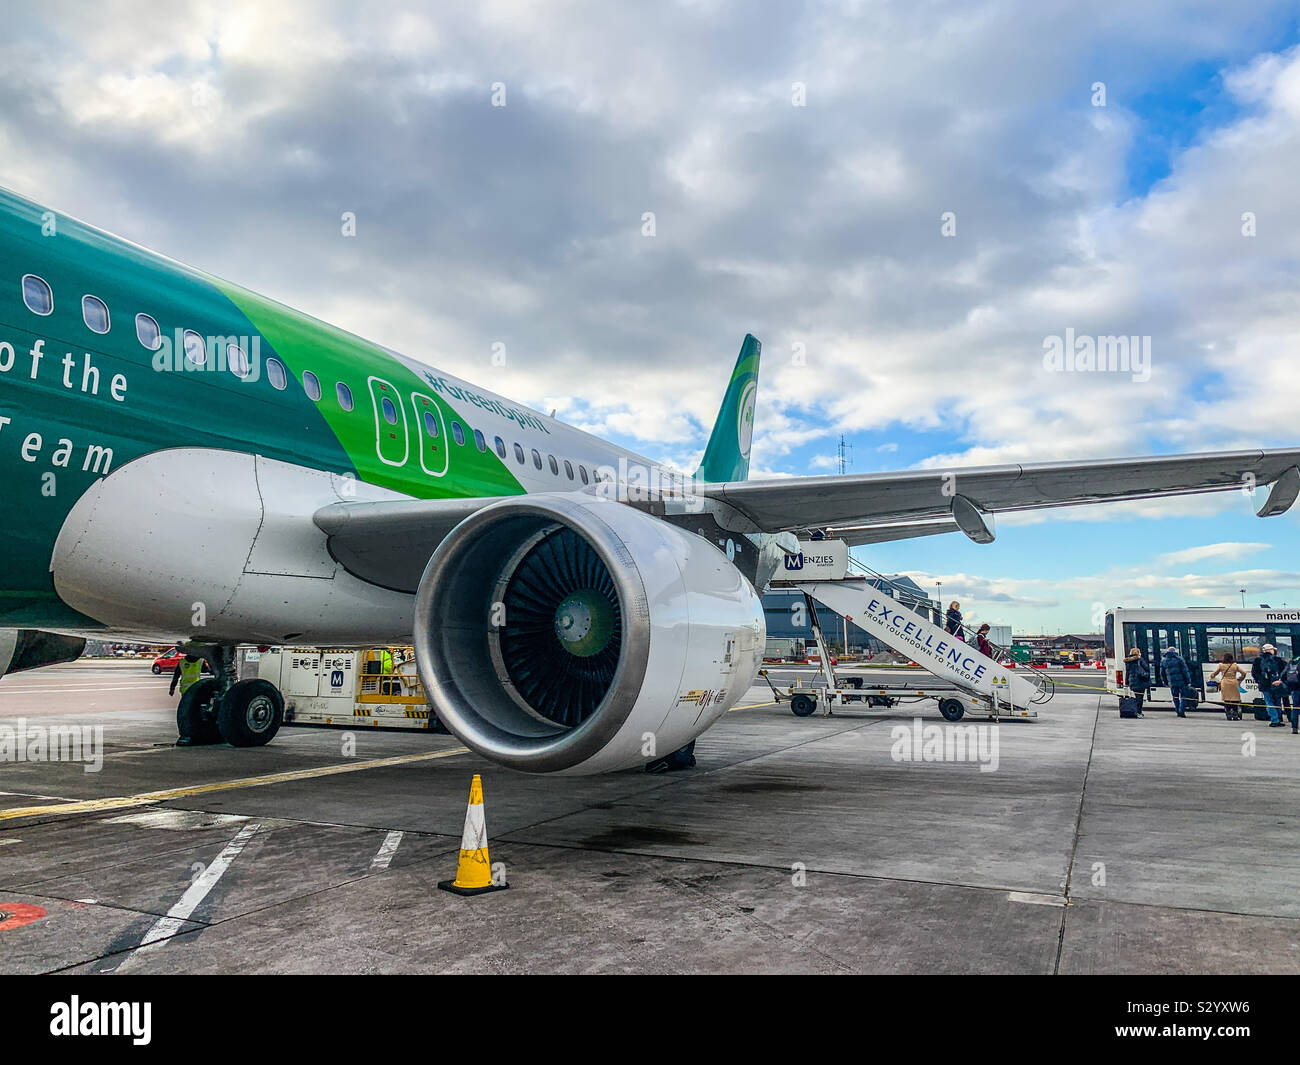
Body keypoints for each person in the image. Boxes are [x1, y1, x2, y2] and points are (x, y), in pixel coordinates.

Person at [1251, 643, 1287, 727]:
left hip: (1264, 685)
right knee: (1277, 701)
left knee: (1269, 702)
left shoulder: (1258, 660)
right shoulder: (1278, 660)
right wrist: (1280, 680)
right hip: (1276, 684)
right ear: (1270, 650)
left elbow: (1254, 673)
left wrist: (1259, 681)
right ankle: (1278, 718)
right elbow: (1284, 671)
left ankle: (1274, 719)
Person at [1209, 652, 1247, 721]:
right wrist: (1240, 678)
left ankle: (1229, 714)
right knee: (1235, 699)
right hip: (1234, 683)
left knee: (1227, 699)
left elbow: (1213, 674)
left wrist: (1214, 678)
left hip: (1225, 683)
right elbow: (1244, 673)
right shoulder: (1235, 665)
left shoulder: (1221, 665)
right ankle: (1235, 714)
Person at [1160, 645, 1194, 718]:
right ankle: (1181, 710)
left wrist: (1166, 682)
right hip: (1182, 681)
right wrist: (1188, 681)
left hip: (1171, 682)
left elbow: (1162, 673)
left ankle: (1177, 710)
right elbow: (1185, 671)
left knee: (1175, 696)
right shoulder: (1179, 659)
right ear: (1175, 652)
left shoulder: (1164, 660)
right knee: (1183, 696)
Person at [1124, 648, 1151, 717]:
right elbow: (1147, 668)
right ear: (1139, 653)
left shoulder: (1128, 661)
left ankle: (1136, 711)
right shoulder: (1140, 660)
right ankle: (1138, 712)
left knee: (1136, 697)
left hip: (1132, 681)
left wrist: (1127, 682)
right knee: (1140, 698)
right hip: (1141, 681)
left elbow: (1127, 672)